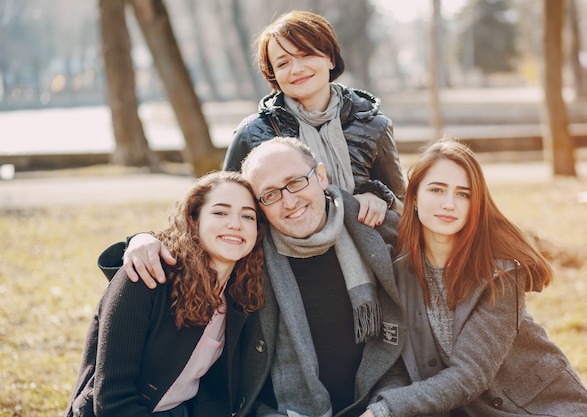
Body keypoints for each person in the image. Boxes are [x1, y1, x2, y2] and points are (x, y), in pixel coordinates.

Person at [115, 137, 409, 417]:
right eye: (270, 194)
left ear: (320, 176)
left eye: (296, 182)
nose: (290, 201)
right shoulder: (248, 255)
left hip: (376, 403)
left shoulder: (373, 229)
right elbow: (196, 237)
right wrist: (141, 239)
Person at [363, 139, 587, 417]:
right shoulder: (398, 273)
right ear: (413, 197)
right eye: (437, 190)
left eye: (463, 194)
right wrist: (381, 406)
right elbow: (395, 365)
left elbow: (470, 375)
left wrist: (388, 409)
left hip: (540, 408)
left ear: (476, 204)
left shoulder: (500, 271)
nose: (448, 204)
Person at [66, 171, 265, 417]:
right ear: (194, 219)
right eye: (220, 212)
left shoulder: (239, 295)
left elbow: (211, 389)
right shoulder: (145, 277)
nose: (236, 223)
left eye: (248, 215)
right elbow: (112, 401)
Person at [224, 10, 406, 227]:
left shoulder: (374, 125)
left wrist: (378, 196)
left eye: (306, 55)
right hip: (285, 256)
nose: (297, 69)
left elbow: (402, 203)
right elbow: (226, 204)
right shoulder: (252, 134)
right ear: (273, 75)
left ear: (330, 58)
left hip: (366, 251)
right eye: (283, 63)